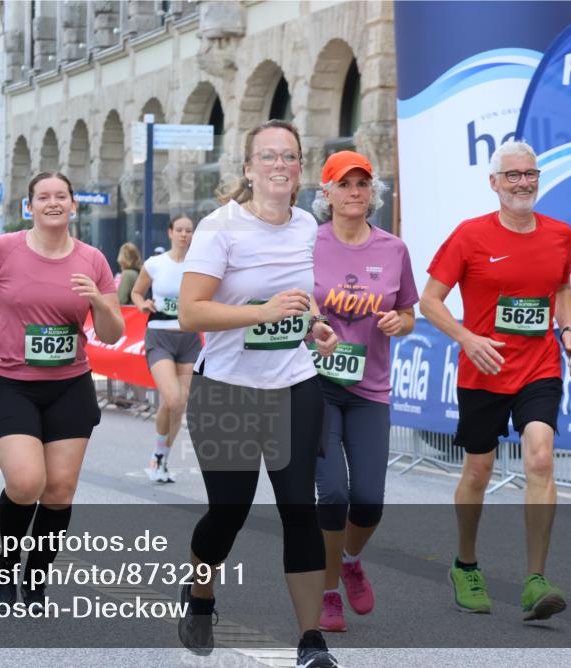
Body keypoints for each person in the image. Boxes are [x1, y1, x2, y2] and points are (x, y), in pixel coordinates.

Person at [177, 119, 340, 668]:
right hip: (225, 391)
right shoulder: (218, 228)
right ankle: (200, 593)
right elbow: (191, 311)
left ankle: (311, 641)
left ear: (299, 171)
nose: (279, 164)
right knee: (229, 512)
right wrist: (262, 313)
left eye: (289, 156)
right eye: (267, 156)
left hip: (293, 385)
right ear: (248, 169)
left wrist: (312, 323)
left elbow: (299, 300)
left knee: (301, 507)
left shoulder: (307, 228)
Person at [419, 140, 571, 621]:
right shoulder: (470, 236)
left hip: (538, 366)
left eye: (530, 174)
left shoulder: (559, 234)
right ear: (494, 183)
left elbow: (564, 287)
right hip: (483, 370)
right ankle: (465, 564)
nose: (523, 183)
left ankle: (536, 579)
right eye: (513, 175)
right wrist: (467, 338)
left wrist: (566, 329)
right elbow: (429, 300)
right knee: (478, 472)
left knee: (540, 455)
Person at [0, 172, 124, 609]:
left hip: (69, 385)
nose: (52, 203)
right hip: (11, 383)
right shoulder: (4, 249)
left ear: (73, 205)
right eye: (43, 197)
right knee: (27, 483)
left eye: (60, 196)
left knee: (60, 490)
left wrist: (101, 302)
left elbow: (113, 331)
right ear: (29, 206)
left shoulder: (93, 259)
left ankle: (36, 577)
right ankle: (7, 566)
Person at [310, 151, 418, 632]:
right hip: (316, 385)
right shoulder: (307, 243)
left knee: (369, 499)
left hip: (370, 388)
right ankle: (328, 589)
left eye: (362, 183)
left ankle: (351, 559)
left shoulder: (393, 249)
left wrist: (401, 322)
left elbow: (409, 313)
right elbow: (288, 300)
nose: (355, 192)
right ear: (327, 192)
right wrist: (312, 325)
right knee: (332, 493)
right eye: (345, 184)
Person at [130, 216, 201, 482]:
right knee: (171, 398)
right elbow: (137, 292)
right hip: (159, 337)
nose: (184, 235)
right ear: (170, 233)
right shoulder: (155, 263)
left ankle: (161, 457)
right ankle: (158, 456)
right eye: (179, 230)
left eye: (189, 231)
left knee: (180, 404)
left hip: (189, 338)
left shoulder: (200, 265)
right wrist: (141, 304)